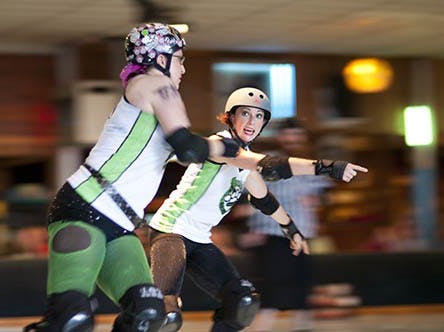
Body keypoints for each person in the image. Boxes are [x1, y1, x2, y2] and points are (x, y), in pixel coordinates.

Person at [23, 22, 243, 332]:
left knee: (148, 313)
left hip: (121, 224)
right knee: (70, 318)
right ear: (161, 58)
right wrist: (223, 144)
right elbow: (189, 147)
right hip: (84, 209)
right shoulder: (154, 84)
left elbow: (188, 151)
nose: (183, 68)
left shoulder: (152, 96)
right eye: (180, 58)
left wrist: (314, 166)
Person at [147, 88, 368, 332]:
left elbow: (264, 199)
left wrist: (290, 228)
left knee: (242, 302)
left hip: (198, 238)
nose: (252, 122)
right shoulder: (222, 145)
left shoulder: (245, 161)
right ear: (230, 117)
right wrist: (328, 167)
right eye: (245, 114)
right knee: (165, 313)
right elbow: (272, 167)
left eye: (259, 116)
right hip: (170, 230)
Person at [242, 117, 332, 332]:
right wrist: (246, 229)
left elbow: (326, 193)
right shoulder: (266, 164)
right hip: (272, 234)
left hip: (302, 233)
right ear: (281, 138)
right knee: (273, 290)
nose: (292, 140)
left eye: (296, 136)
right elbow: (246, 196)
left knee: (301, 289)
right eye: (288, 136)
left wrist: (318, 201)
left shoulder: (310, 165)